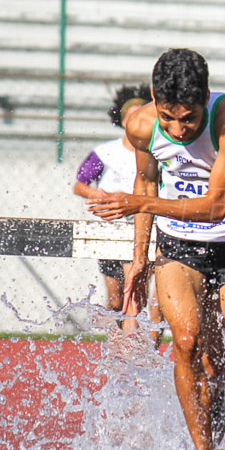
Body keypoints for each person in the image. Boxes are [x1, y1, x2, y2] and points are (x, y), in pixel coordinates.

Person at [86, 48, 225, 450]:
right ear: (154, 99)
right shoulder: (140, 126)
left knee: (214, 361)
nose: (177, 130)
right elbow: (146, 183)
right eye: (168, 118)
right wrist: (138, 261)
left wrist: (142, 204)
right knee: (186, 340)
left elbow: (214, 208)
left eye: (188, 120)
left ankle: (215, 402)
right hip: (177, 240)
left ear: (205, 100)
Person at [73, 84, 162, 325]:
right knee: (115, 300)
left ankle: (136, 348)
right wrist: (99, 196)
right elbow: (79, 184)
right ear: (122, 121)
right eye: (130, 117)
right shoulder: (106, 152)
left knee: (138, 297)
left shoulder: (158, 150)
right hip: (111, 229)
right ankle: (117, 343)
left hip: (141, 228)